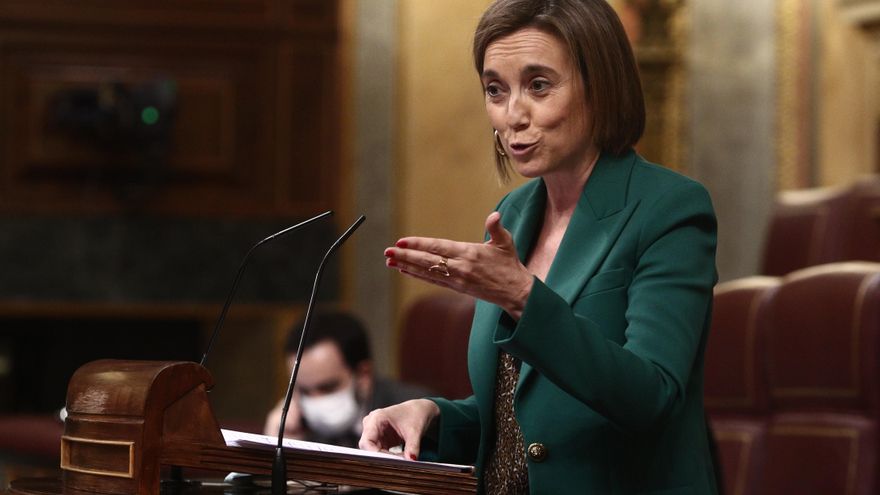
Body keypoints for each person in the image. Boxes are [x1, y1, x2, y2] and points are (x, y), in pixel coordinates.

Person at [359, 0, 719, 494]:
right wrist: (436, 415)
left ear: (602, 85)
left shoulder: (670, 208)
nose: (513, 115)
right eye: (495, 90)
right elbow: (522, 414)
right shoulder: (513, 214)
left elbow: (652, 397)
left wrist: (523, 297)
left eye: (539, 85)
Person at [263, 310, 430, 448]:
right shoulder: (298, 426)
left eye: (328, 387)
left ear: (364, 375)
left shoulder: (414, 414)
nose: (315, 401)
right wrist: (282, 447)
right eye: (304, 390)